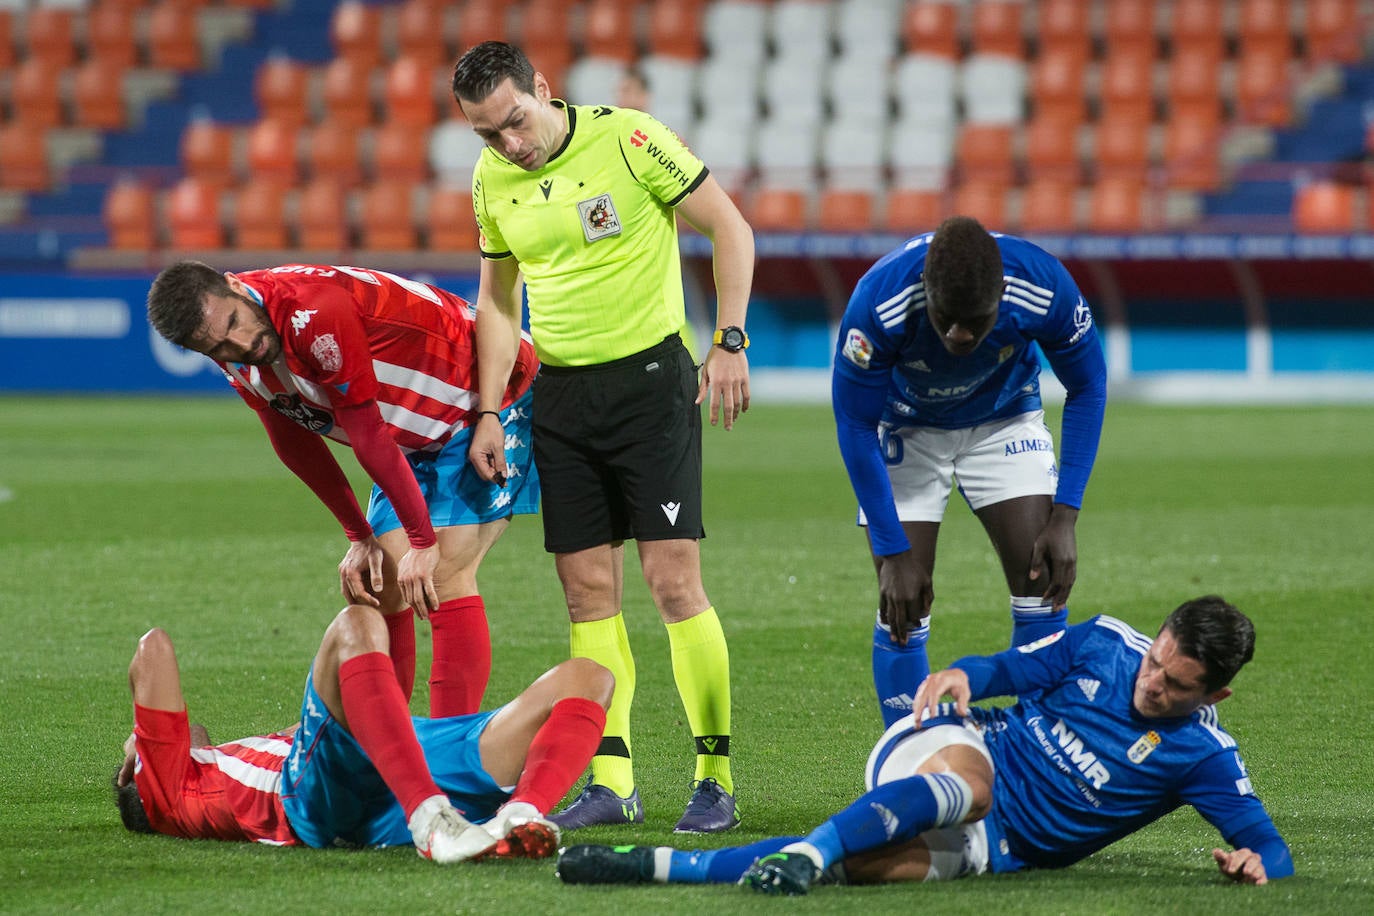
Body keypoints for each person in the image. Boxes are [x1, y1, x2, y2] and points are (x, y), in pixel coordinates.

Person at [450, 40, 755, 833]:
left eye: (515, 121)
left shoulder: (629, 138)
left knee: (673, 583)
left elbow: (730, 227)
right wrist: (488, 409)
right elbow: (495, 300)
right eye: (489, 135)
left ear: (542, 89)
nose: (509, 144)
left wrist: (729, 341)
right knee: (587, 594)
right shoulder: (490, 180)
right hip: (559, 400)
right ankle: (613, 781)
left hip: (650, 388)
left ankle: (713, 777)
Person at [556, 595, 1293, 893]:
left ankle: (652, 867)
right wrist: (966, 676)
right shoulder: (1105, 644)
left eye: (1174, 684)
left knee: (859, 869)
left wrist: (1258, 861)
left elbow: (1271, 845)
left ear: (1214, 696)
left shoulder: (1204, 756)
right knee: (972, 786)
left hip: (999, 847)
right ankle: (812, 850)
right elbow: (1007, 669)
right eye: (1155, 660)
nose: (1151, 683)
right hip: (952, 743)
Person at [146, 262, 540, 719]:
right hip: (414, 430)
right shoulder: (226, 335)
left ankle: (444, 762)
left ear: (236, 285)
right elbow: (292, 439)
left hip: (487, 392)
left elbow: (367, 433)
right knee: (382, 583)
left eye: (233, 324)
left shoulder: (314, 311)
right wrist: (359, 536)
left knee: (441, 574)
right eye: (216, 346)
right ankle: (384, 755)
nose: (238, 345)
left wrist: (422, 542)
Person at [831, 216, 1109, 729]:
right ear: (925, 291)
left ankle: (1036, 748)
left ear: (1002, 293)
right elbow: (853, 420)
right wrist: (892, 552)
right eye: (945, 319)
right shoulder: (878, 301)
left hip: (1003, 422)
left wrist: (1066, 513)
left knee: (1042, 580)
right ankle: (915, 757)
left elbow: (1088, 384)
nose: (959, 333)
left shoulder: (1043, 286)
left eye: (975, 321)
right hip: (907, 427)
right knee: (903, 602)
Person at [114, 603, 612, 861]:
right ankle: (429, 817)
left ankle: (521, 816)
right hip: (312, 803)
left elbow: (341, 718)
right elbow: (151, 648)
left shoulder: (228, 763)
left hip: (393, 771)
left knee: (589, 679)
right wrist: (136, 746)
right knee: (355, 623)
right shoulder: (163, 788)